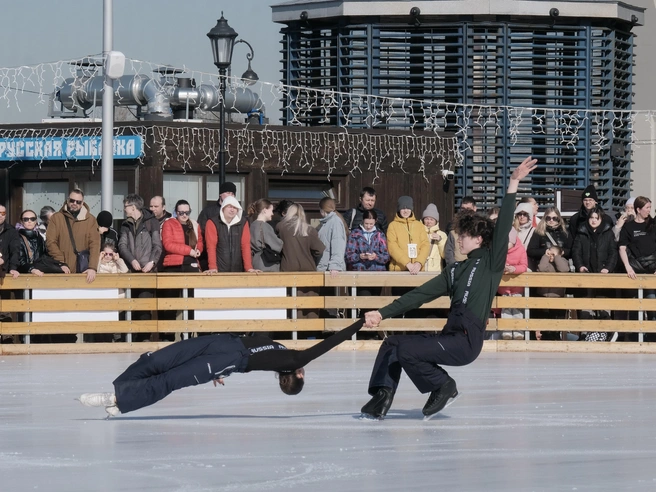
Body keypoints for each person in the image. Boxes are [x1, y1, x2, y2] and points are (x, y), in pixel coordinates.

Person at [359, 156, 537, 421]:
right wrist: (381, 313)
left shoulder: (491, 263)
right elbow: (418, 296)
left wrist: (513, 182)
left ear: (478, 239)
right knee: (392, 344)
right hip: (449, 336)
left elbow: (501, 229)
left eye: (463, 236)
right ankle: (381, 398)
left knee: (407, 351)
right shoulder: (455, 271)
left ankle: (443, 386)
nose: (459, 239)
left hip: (466, 341)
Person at [77, 318, 365, 417]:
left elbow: (332, 341)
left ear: (298, 374)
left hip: (228, 359)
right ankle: (119, 389)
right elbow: (253, 342)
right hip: (220, 343)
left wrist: (361, 323)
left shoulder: (295, 360)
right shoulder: (280, 350)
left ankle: (117, 399)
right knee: (157, 360)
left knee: (170, 380)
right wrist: (221, 371)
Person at [571, 206, 618, 341]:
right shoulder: (582, 232)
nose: (593, 220)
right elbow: (576, 252)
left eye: (596, 218)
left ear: (601, 219)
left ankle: (607, 333)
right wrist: (580, 266)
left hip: (603, 275)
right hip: (587, 275)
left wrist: (608, 268)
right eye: (591, 218)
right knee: (586, 308)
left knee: (603, 307)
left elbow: (613, 252)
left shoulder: (608, 233)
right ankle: (586, 334)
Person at [45, 188, 99, 283]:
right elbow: (50, 242)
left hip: (83, 270)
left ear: (82, 203)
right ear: (67, 200)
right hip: (61, 270)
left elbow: (95, 244)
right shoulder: (56, 218)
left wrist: (92, 267)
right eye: (72, 200)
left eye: (78, 202)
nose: (74, 203)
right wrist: (61, 262)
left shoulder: (91, 220)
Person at [204, 196, 257, 273]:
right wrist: (212, 267)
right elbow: (211, 246)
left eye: (235, 207)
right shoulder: (212, 222)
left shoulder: (243, 222)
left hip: (238, 269)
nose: (232, 210)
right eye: (229, 207)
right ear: (223, 208)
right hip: (218, 270)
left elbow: (245, 246)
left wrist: (248, 268)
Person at [498, 228, 528, 340]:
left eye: (508, 242)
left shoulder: (520, 249)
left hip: (516, 287)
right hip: (504, 286)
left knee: (517, 310)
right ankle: (506, 331)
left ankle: (518, 331)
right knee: (505, 310)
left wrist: (514, 269)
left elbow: (524, 266)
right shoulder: (499, 250)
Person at [276, 203, 325, 272]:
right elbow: (319, 249)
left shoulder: (281, 227)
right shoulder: (309, 229)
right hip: (308, 267)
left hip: (287, 267)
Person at [387, 196, 429, 275]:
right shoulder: (393, 225)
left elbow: (425, 245)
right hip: (399, 270)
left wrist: (419, 263)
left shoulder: (419, 225)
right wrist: (407, 263)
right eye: (403, 208)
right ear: (399, 209)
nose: (405, 211)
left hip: (417, 270)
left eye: (408, 208)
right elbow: (392, 246)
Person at [16, 209, 65, 276]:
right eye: (26, 219)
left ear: (36, 221)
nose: (29, 221)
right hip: (23, 275)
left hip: (39, 272)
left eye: (32, 219)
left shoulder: (39, 237)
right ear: (21, 221)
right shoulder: (16, 237)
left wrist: (60, 264)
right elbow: (18, 259)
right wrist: (31, 269)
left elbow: (46, 256)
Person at [161, 200, 204, 272]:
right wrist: (189, 251)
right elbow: (168, 245)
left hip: (191, 261)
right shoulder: (168, 223)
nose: (184, 215)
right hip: (174, 263)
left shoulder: (194, 224)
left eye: (187, 213)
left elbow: (199, 241)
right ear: (176, 212)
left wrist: (199, 249)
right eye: (181, 213)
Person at [249, 198, 284, 272]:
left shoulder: (252, 225)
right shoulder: (265, 226)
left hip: (255, 261)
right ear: (265, 210)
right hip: (266, 264)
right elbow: (277, 245)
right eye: (271, 210)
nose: (272, 213)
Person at [317, 197, 348, 276]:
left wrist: (335, 266)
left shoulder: (335, 222)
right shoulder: (326, 223)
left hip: (331, 270)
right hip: (325, 266)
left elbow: (338, 244)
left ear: (322, 209)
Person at [422, 203, 447, 273]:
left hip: (435, 271)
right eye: (426, 219)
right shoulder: (419, 232)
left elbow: (444, 255)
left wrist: (440, 240)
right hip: (420, 270)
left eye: (431, 219)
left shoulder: (442, 234)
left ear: (436, 221)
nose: (429, 222)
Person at [0, 203, 21, 280]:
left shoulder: (11, 231)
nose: (0, 215)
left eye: (3, 213)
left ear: (5, 215)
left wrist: (13, 268)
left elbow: (15, 251)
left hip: (4, 273)